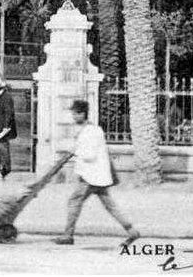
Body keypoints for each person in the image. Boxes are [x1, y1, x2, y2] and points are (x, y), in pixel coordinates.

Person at [53, 100, 140, 247]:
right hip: (98, 176)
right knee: (110, 206)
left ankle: (68, 235)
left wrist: (75, 151)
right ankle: (132, 232)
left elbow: (89, 155)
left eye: (75, 114)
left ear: (82, 114)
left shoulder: (90, 131)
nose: (73, 117)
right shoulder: (91, 130)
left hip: (90, 176)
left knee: (74, 202)